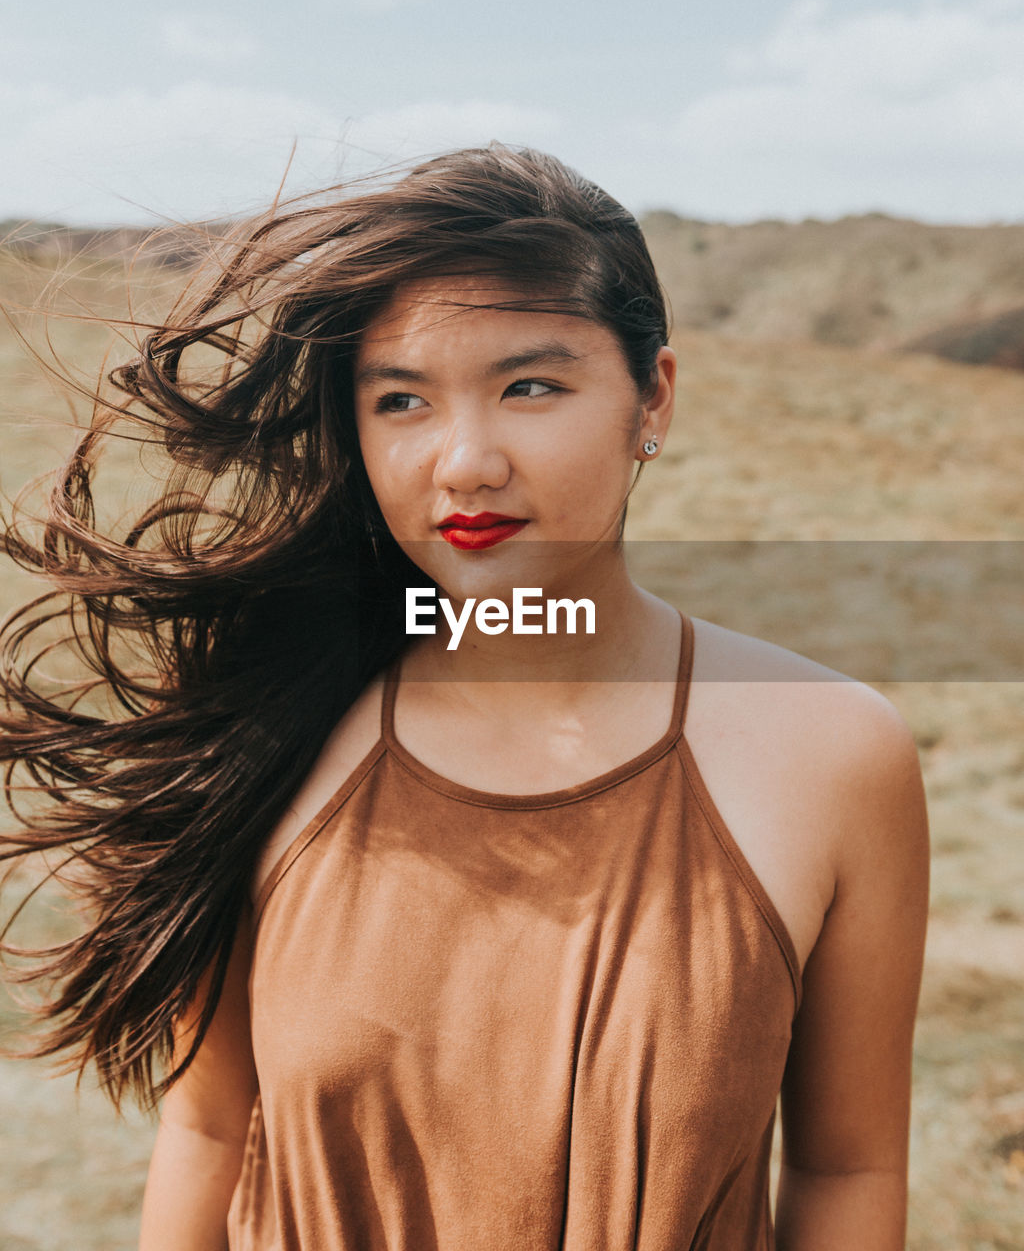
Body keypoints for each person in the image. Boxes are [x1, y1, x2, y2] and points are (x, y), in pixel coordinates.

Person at [0, 144, 929, 1250]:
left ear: (652, 401)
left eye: (529, 386)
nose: (464, 460)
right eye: (402, 399)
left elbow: (845, 1166)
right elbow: (208, 1136)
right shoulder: (268, 733)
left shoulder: (828, 754)